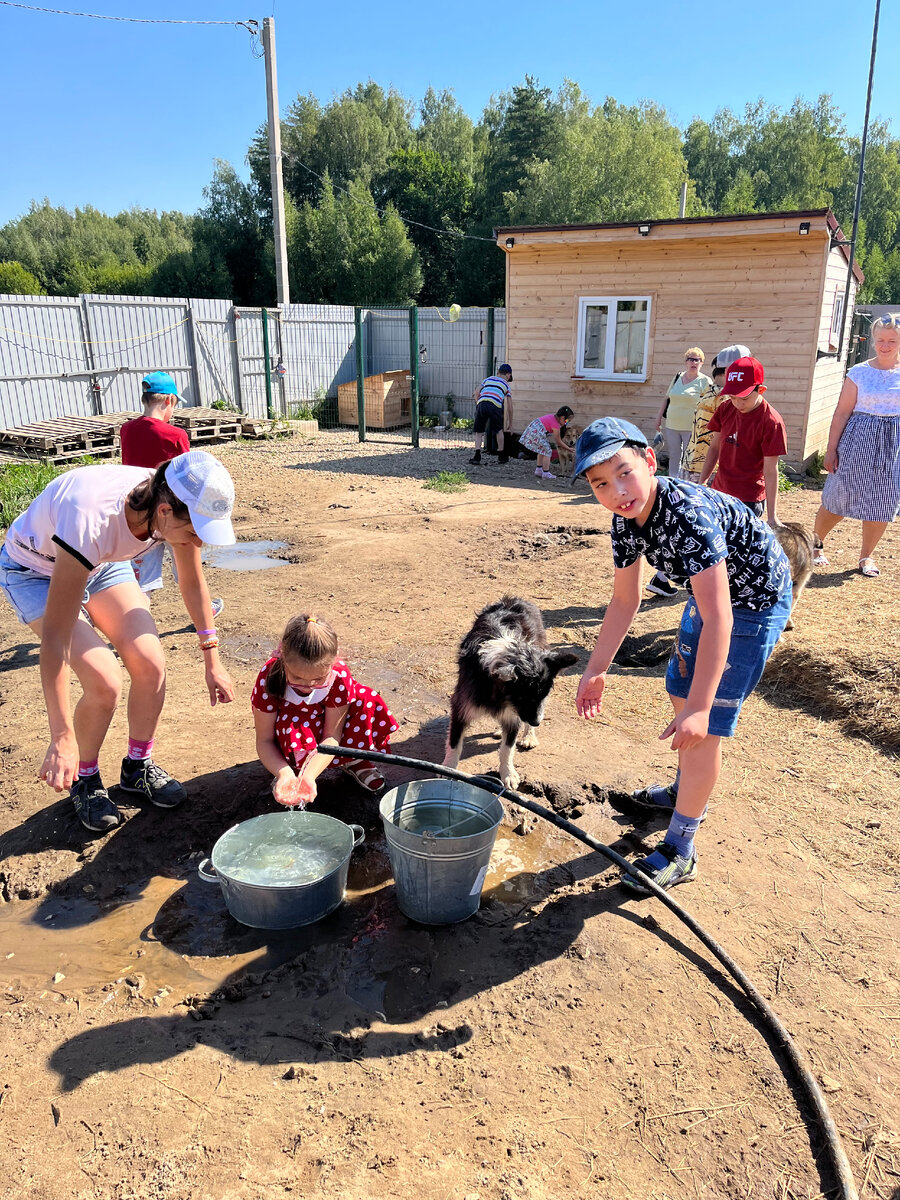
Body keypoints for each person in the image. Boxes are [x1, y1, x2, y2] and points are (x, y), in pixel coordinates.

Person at [572, 417, 791, 893]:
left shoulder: (687, 516)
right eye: (601, 484)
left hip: (752, 602)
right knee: (678, 688)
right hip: (710, 597)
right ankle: (683, 789)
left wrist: (701, 707)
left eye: (625, 472)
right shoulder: (624, 521)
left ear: (650, 461)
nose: (617, 491)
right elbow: (625, 599)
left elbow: (722, 620)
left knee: (702, 726)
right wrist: (595, 669)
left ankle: (681, 847)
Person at [0, 451, 237, 832]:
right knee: (104, 680)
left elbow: (192, 583)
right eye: (194, 532)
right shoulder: (91, 520)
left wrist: (212, 656)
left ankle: (136, 767)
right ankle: (85, 777)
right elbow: (56, 639)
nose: (198, 542)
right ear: (163, 511)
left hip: (100, 563)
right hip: (35, 569)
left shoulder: (173, 496)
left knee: (151, 663)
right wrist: (61, 735)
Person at [252, 612, 398, 807]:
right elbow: (264, 740)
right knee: (298, 726)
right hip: (290, 731)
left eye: (318, 679)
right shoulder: (269, 677)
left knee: (365, 699)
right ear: (282, 658)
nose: (308, 685)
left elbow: (332, 737)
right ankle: (290, 770)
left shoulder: (338, 676)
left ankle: (353, 759)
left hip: (324, 728)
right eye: (297, 678)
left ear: (333, 662)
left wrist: (309, 776)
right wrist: (283, 773)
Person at [120, 371, 224, 620]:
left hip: (141, 509)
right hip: (173, 511)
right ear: (168, 400)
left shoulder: (127, 430)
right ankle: (205, 613)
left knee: (141, 576)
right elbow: (190, 476)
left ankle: (134, 624)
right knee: (188, 569)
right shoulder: (176, 435)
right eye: (174, 404)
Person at [814, 313, 900, 578]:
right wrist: (831, 449)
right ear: (873, 340)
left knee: (882, 502)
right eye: (880, 340)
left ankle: (866, 556)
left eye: (892, 341)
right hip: (857, 441)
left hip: (892, 446)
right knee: (838, 496)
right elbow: (841, 413)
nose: (885, 345)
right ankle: (815, 546)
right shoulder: (859, 372)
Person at [699, 355, 787, 527]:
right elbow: (714, 448)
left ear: (760, 390)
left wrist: (772, 515)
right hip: (719, 491)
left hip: (749, 499)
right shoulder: (725, 409)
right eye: (732, 396)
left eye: (744, 398)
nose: (738, 403)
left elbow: (770, 470)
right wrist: (702, 482)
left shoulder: (771, 422)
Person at [654, 348, 714, 482]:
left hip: (692, 427)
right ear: (686, 362)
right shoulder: (677, 377)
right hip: (672, 424)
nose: (693, 362)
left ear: (702, 362)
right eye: (690, 359)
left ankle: (687, 483)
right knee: (675, 455)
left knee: (689, 457)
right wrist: (658, 418)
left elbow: (710, 404)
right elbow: (666, 399)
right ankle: (673, 482)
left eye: (697, 360)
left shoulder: (705, 381)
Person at [469, 364, 513, 466]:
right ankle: (501, 455)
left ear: (497, 373)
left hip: (482, 403)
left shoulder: (488, 379)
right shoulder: (506, 385)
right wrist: (510, 424)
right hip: (495, 405)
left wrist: (478, 403)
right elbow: (510, 407)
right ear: (508, 375)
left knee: (479, 431)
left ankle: (477, 456)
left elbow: (476, 392)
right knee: (498, 430)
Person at [519, 406, 575, 480]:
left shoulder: (552, 417)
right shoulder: (555, 425)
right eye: (567, 421)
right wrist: (569, 449)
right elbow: (558, 441)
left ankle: (539, 470)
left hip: (533, 431)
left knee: (542, 449)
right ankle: (545, 472)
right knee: (548, 451)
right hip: (536, 433)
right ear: (562, 418)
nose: (567, 423)